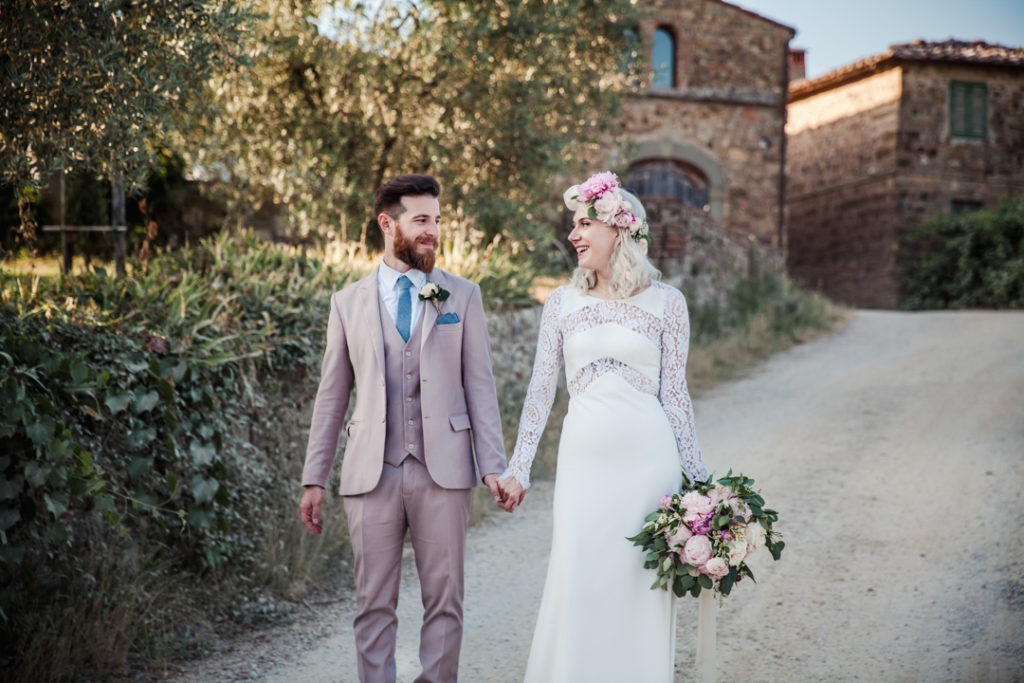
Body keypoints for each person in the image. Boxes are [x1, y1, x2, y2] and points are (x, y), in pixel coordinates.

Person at [497, 171, 710, 682]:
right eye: (573, 223)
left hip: (648, 467)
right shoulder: (561, 304)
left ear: (621, 229)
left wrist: (701, 483)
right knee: (580, 578)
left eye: (585, 223)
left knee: (639, 585)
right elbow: (541, 391)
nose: (574, 234)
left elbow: (676, 397)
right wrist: (518, 469)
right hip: (584, 465)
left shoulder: (668, 303)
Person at [299, 173, 509, 683]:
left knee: (445, 601)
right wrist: (314, 477)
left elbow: (481, 388)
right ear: (387, 223)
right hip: (372, 472)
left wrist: (494, 468)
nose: (432, 231)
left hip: (446, 471)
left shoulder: (462, 295)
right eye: (421, 220)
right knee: (372, 605)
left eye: (437, 221)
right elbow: (332, 395)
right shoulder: (346, 303)